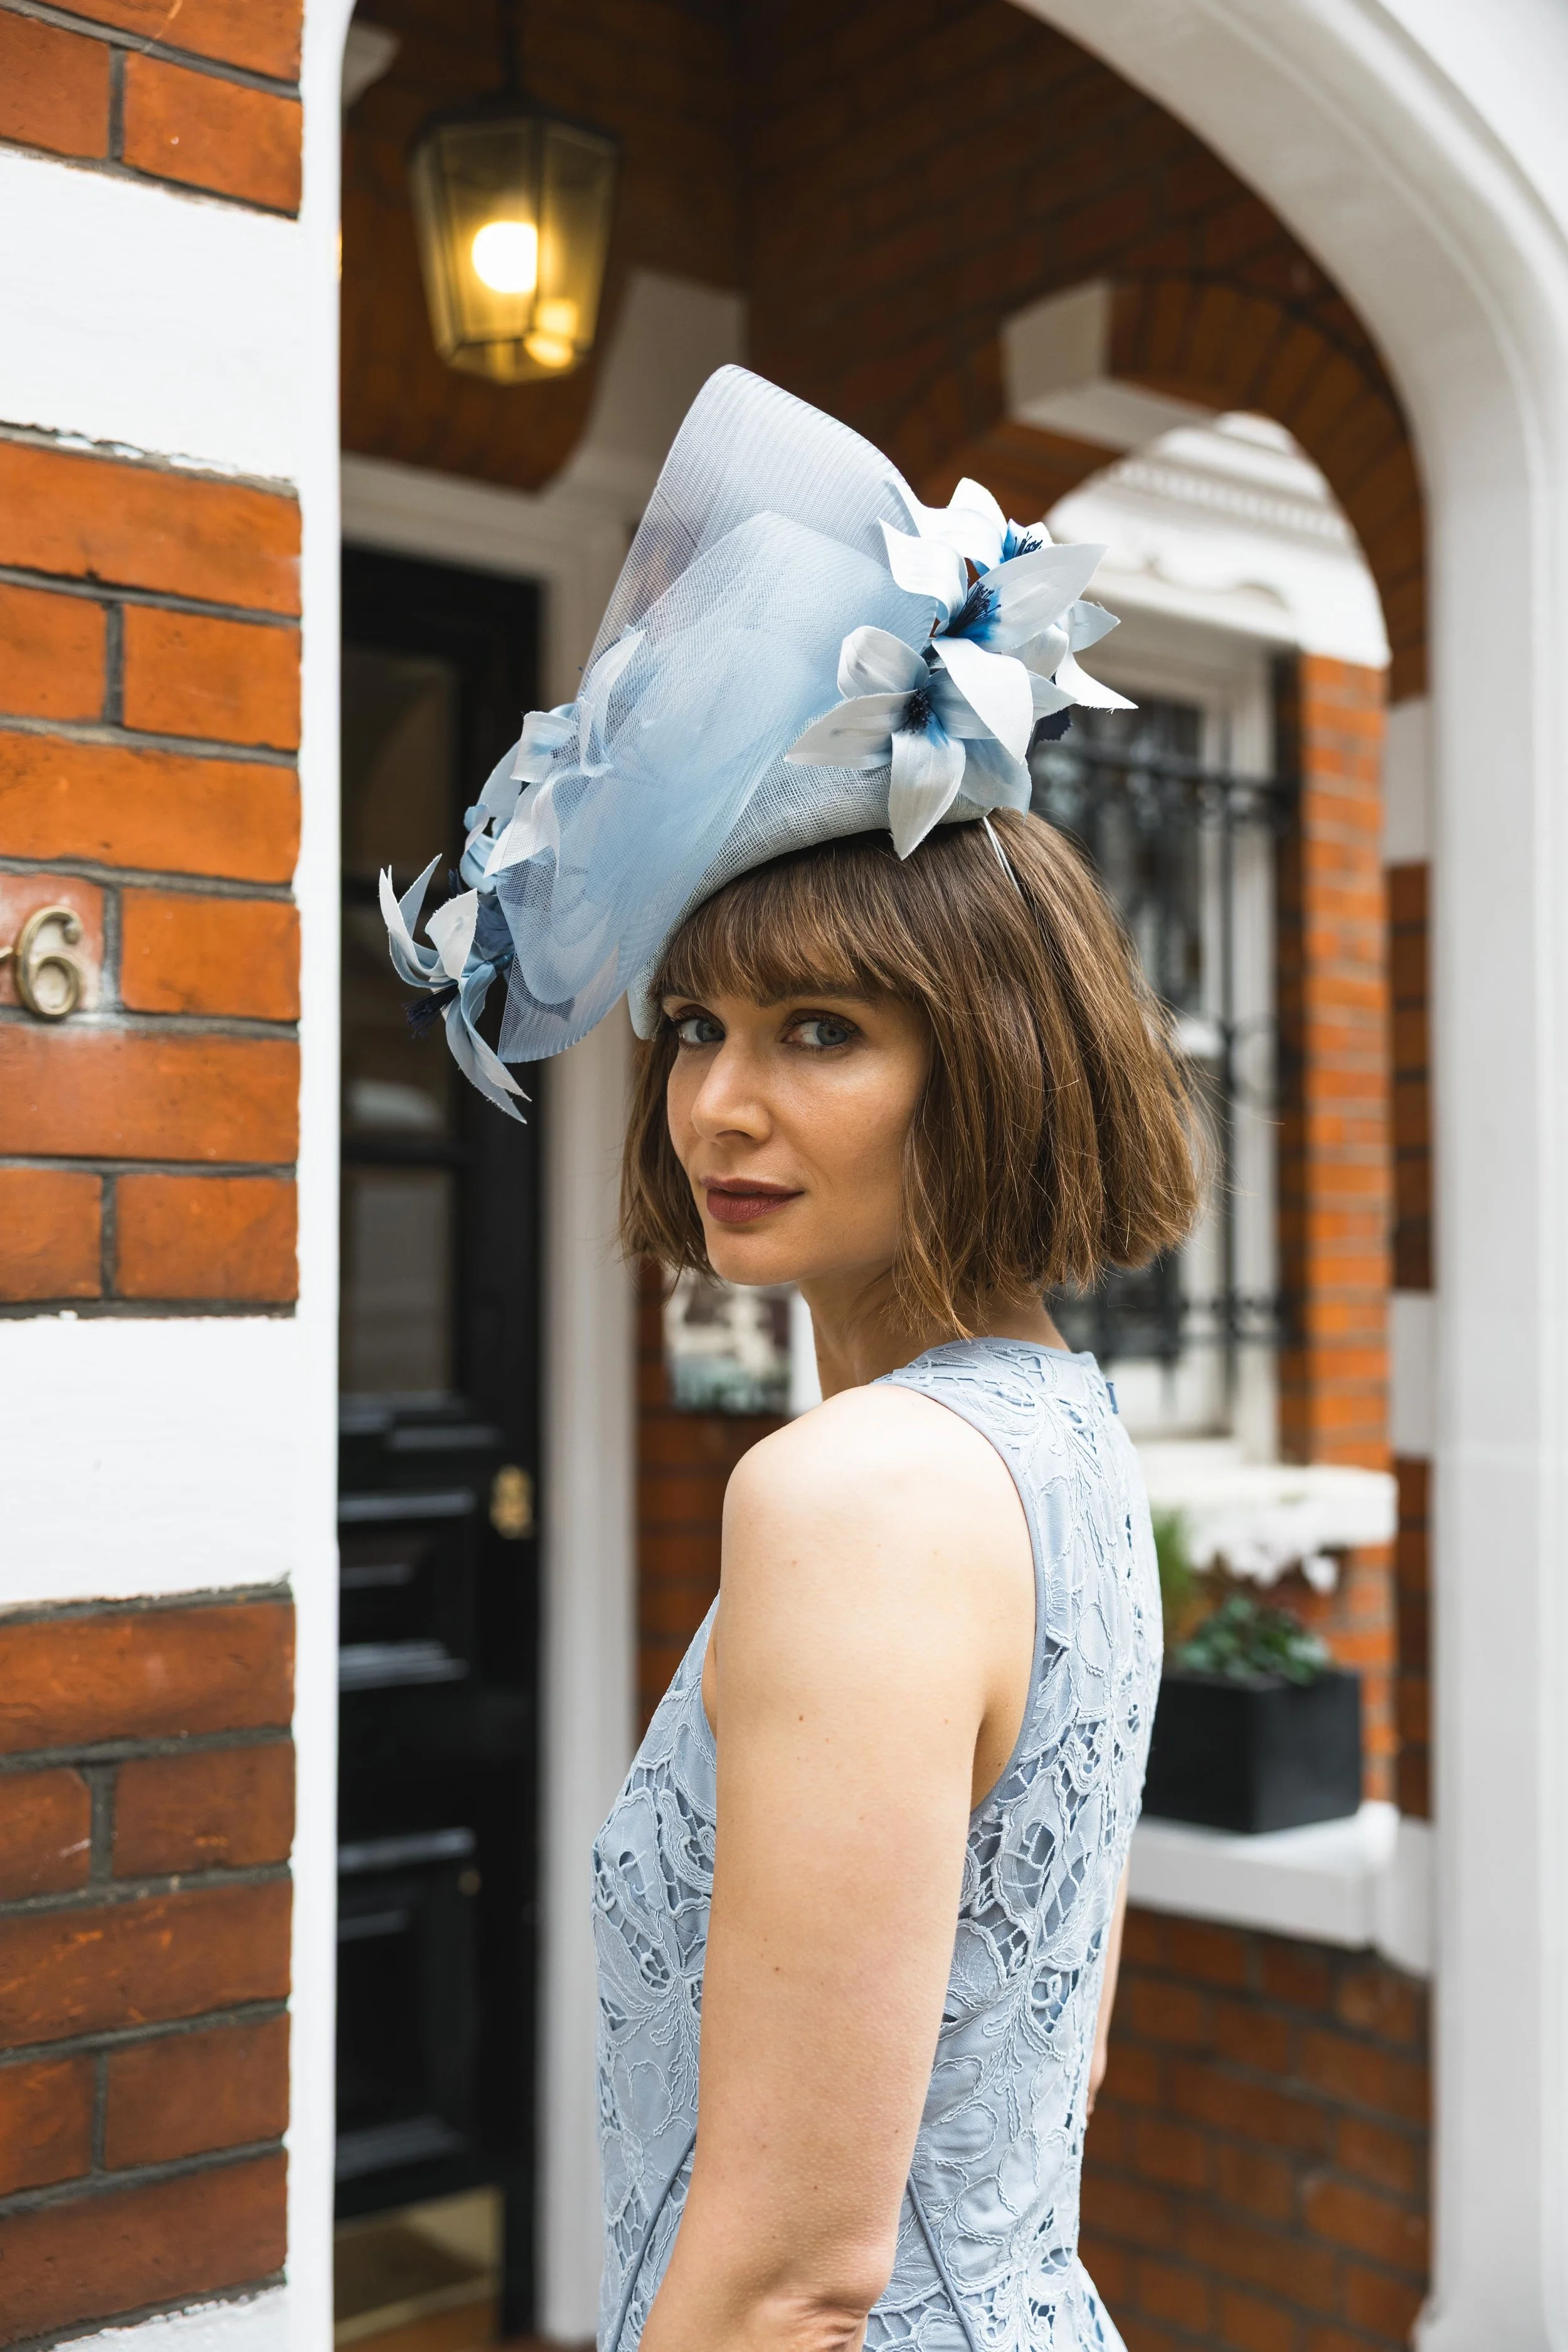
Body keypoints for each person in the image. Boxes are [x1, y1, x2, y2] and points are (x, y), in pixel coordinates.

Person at [385, 368, 1202, 2352]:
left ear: (990, 1058)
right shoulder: (1060, 1441)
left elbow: (784, 2282)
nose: (718, 1108)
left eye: (821, 1029)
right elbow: (1036, 2064)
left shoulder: (853, 1493)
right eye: (693, 1026)